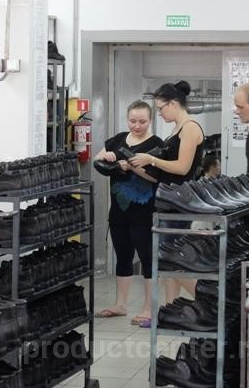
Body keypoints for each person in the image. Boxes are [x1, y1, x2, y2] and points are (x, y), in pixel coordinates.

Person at [129, 81, 204, 304]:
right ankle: (171, 307)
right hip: (170, 200)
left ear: (173, 103)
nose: (160, 114)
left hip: (179, 202)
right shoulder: (178, 128)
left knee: (169, 259)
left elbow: (182, 168)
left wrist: (151, 160)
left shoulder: (190, 127)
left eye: (161, 108)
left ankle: (209, 302)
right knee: (170, 260)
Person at [93, 100, 163, 326]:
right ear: (127, 119)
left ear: (150, 120)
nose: (137, 126)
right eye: (133, 121)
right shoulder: (118, 140)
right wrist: (109, 159)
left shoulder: (156, 144)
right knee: (122, 256)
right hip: (119, 211)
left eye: (142, 121)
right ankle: (120, 304)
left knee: (147, 258)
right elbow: (97, 161)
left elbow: (156, 177)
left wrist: (131, 166)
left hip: (144, 212)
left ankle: (148, 308)